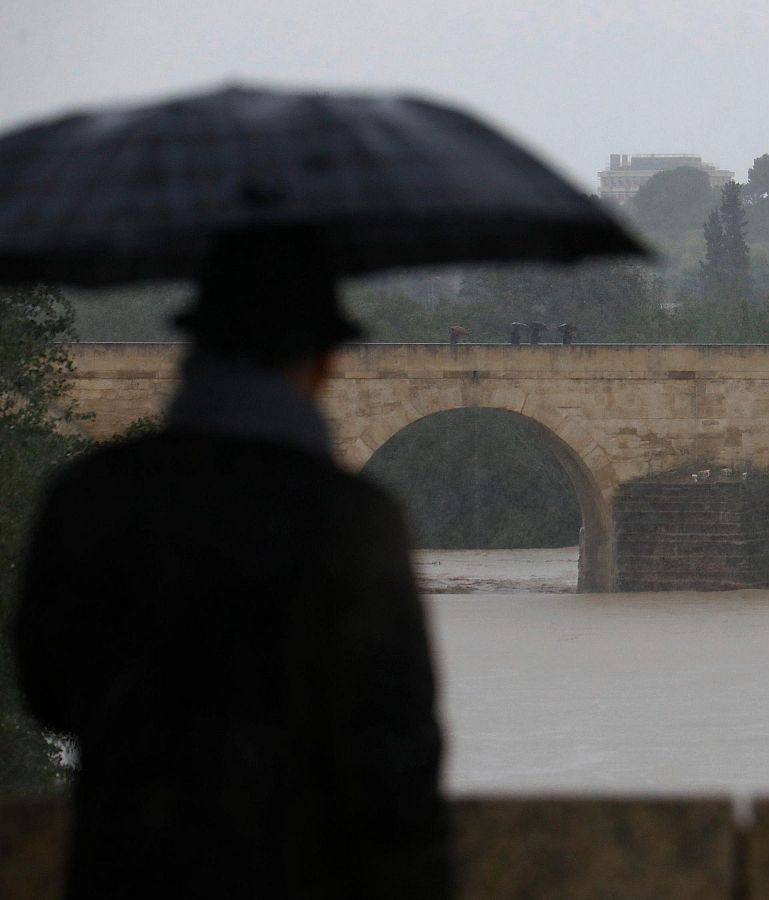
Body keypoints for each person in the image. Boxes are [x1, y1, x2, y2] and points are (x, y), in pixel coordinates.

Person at [10, 229, 451, 899]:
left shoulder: (93, 492)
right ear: (323, 362)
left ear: (194, 349)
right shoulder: (352, 517)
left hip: (130, 869)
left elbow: (48, 689)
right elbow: (399, 743)